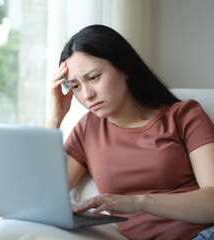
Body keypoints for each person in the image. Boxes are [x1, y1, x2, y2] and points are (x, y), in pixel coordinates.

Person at [46, 25, 214, 240]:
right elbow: (42, 201)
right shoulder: (87, 129)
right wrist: (54, 119)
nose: (87, 94)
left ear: (124, 69)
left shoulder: (184, 115)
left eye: (93, 78)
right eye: (76, 86)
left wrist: (135, 202)